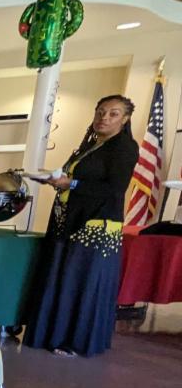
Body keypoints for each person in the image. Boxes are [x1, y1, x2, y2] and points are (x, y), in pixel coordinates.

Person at [24, 95, 139, 357]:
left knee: (80, 281)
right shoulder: (90, 146)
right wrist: (55, 180)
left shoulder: (124, 147)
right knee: (62, 276)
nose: (104, 118)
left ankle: (73, 341)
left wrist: (72, 184)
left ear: (125, 119)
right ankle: (52, 334)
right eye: (101, 112)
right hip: (70, 218)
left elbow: (114, 189)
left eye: (113, 114)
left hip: (96, 224)